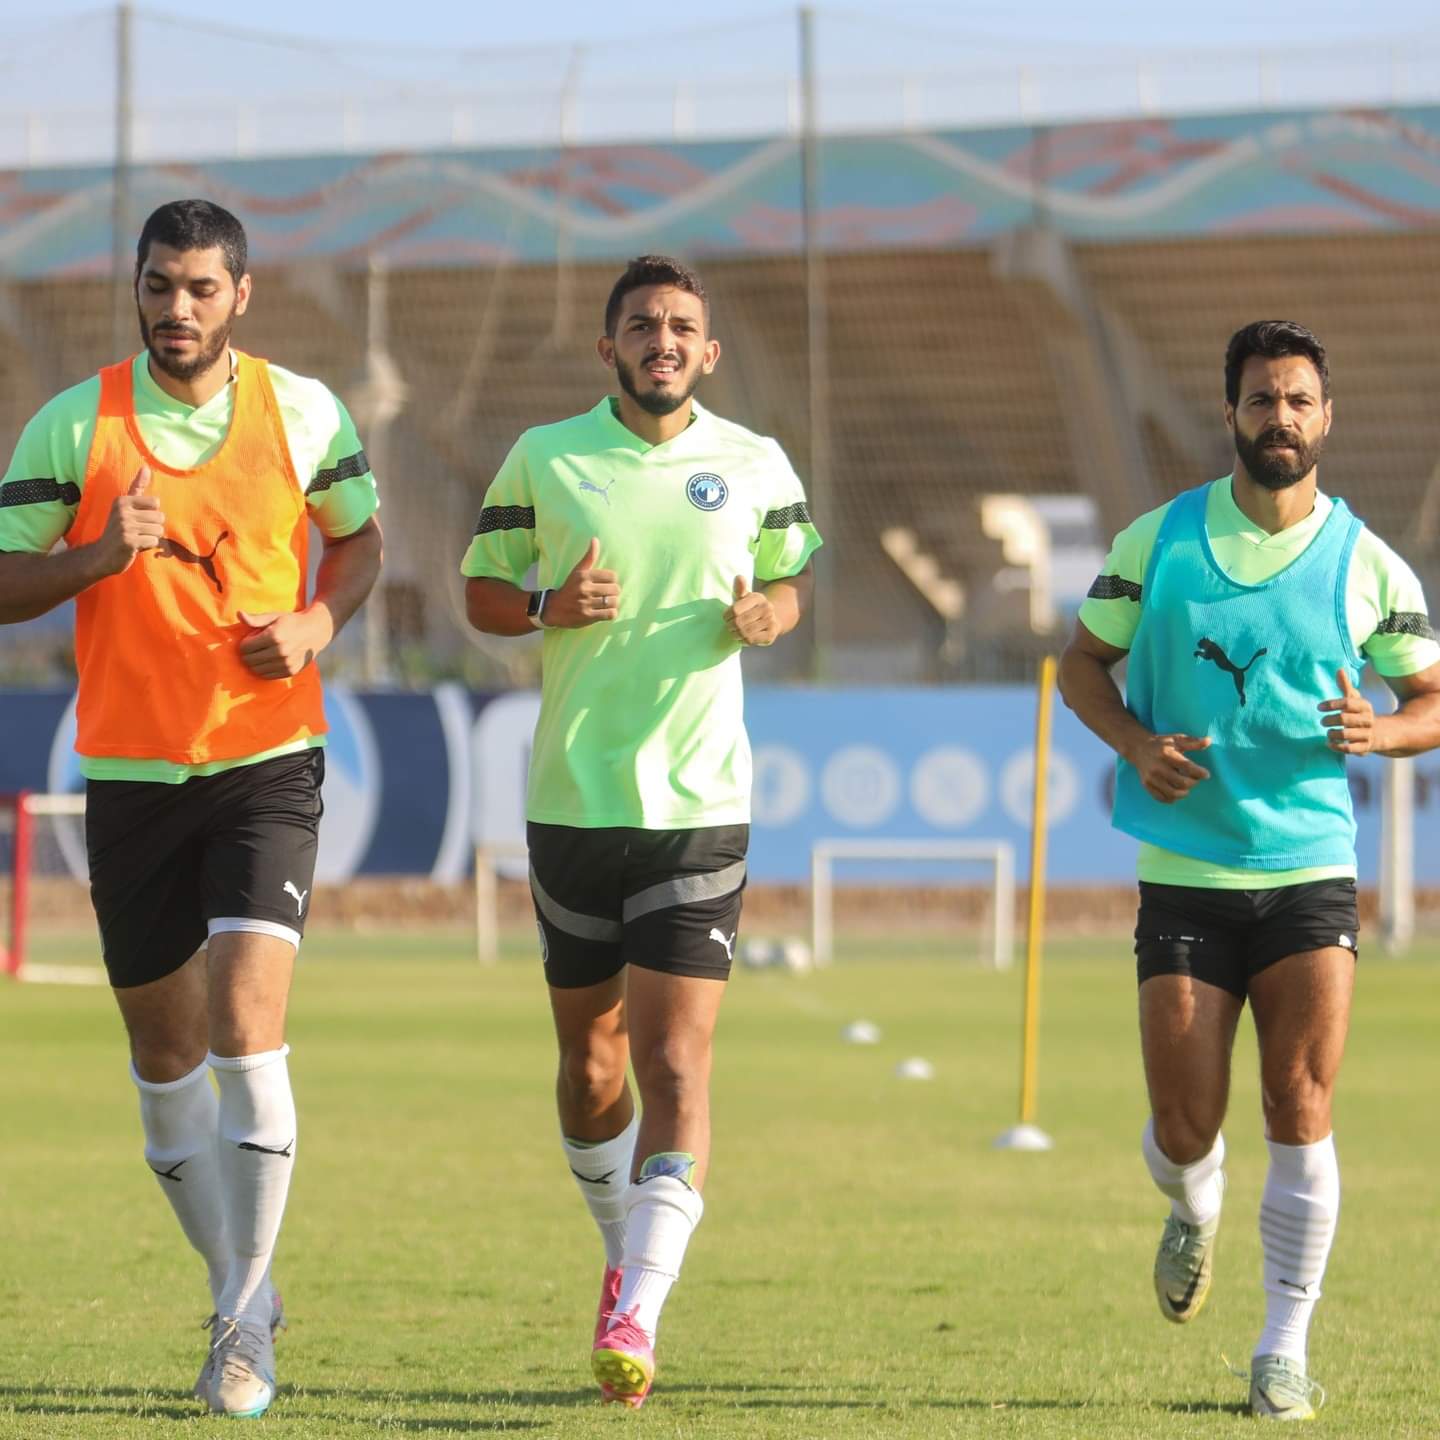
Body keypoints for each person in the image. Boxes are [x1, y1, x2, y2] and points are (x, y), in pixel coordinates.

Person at [0, 199, 382, 1418]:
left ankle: (241, 1323)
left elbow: (360, 543)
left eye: (201, 287)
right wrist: (94, 557)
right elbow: (4, 576)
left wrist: (316, 621)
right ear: (137, 286)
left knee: (244, 1027)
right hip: (129, 776)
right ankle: (243, 1294)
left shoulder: (305, 411)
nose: (178, 307)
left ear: (241, 295)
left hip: (268, 761)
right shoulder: (76, 422)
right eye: (160, 284)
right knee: (164, 1067)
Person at [1059, 319, 1440, 1421]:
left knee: (1300, 1101)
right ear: (1231, 412)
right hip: (1185, 873)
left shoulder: (1367, 562)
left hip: (1312, 869)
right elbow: (1081, 665)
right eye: (1263, 399)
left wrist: (1385, 733)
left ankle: (1283, 1347)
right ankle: (1194, 1204)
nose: (1282, 417)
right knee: (1185, 1127)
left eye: (1300, 400)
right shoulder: (1158, 541)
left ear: (1327, 417)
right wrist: (1136, 744)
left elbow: (1430, 699)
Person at [461, 253, 820, 1408]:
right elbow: (481, 593)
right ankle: (626, 1245)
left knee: (674, 1063)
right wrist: (546, 606)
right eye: (641, 324)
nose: (662, 340)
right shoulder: (545, 456)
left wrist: (771, 612)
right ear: (607, 346)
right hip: (572, 802)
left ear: (708, 352)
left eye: (680, 326)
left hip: (700, 807)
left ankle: (638, 1309)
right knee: (591, 1068)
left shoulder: (756, 462)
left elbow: (793, 579)